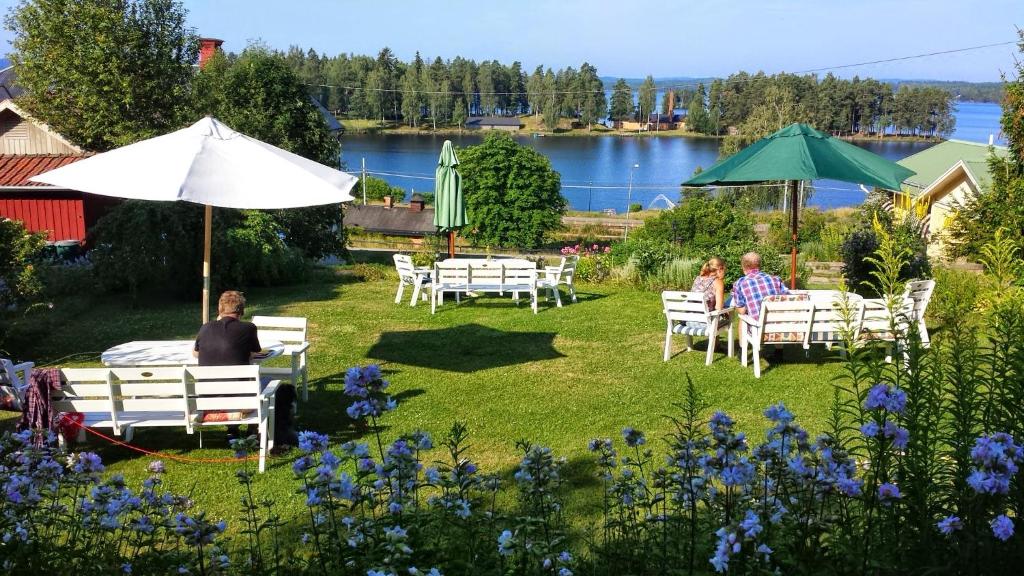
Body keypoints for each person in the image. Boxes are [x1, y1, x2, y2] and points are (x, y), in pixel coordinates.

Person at [193, 291, 297, 448]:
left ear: (219, 309)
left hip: (208, 401)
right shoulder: (248, 328)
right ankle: (252, 431)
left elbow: (195, 353)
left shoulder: (205, 328)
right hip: (241, 402)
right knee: (269, 382)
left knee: (230, 384)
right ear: (241, 311)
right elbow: (255, 351)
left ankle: (232, 431)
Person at [731, 252, 789, 321]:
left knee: (743, 318)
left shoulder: (739, 283)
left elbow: (742, 311)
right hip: (779, 324)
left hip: (757, 327)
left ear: (743, 266)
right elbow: (787, 298)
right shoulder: (776, 279)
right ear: (759, 265)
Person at [687, 257, 728, 328]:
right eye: (724, 270)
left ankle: (715, 339)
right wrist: (727, 311)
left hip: (688, 320)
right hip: (705, 322)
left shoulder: (698, 279)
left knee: (715, 315)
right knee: (721, 317)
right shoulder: (718, 282)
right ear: (720, 269)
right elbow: (719, 307)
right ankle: (715, 338)